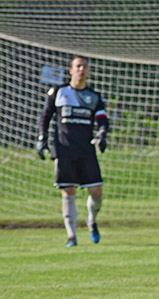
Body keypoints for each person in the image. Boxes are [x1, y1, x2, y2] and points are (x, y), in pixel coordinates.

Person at [37, 56, 109, 247]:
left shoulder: (94, 96)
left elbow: (103, 120)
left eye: (84, 66)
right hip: (64, 150)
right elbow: (46, 115)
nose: (81, 69)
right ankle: (72, 236)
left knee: (97, 192)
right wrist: (42, 138)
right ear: (71, 70)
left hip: (86, 150)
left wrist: (102, 135)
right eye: (78, 66)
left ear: (89, 71)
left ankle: (92, 220)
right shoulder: (59, 92)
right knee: (68, 191)